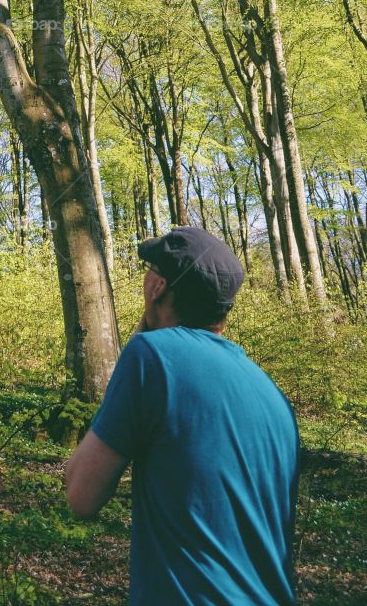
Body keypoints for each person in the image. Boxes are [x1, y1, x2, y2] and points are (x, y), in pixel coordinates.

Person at [65, 227, 299, 605]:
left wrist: (143, 336)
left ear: (157, 286)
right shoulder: (271, 393)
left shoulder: (150, 356)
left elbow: (81, 495)